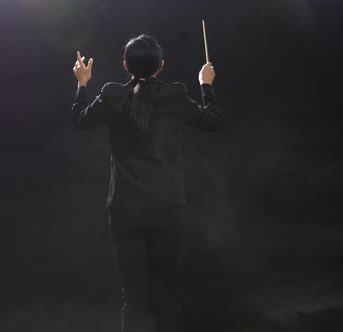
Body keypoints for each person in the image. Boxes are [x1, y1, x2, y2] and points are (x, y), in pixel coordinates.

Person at [71, 34, 223, 332]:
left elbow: (80, 120)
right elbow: (214, 120)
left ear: (125, 65)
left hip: (125, 209)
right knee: (167, 294)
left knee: (134, 298)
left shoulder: (113, 94)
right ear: (161, 66)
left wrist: (82, 83)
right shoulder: (176, 96)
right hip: (168, 208)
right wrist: (206, 84)